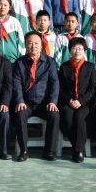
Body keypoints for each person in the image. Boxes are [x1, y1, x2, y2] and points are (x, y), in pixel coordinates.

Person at [13, 31, 60, 162]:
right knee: (20, 114)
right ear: (25, 45)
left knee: (54, 116)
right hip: (26, 103)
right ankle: (24, 151)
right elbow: (16, 83)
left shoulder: (50, 62)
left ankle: (49, 151)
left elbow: (54, 83)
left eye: (36, 43)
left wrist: (53, 101)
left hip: (44, 103)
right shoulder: (19, 63)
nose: (33, 46)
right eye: (30, 43)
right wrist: (20, 101)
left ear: (41, 45)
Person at [58, 37, 96, 163]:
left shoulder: (90, 67)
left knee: (80, 117)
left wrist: (81, 101)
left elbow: (93, 88)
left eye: (80, 48)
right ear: (70, 50)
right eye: (74, 48)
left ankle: (78, 150)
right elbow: (60, 88)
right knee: (67, 116)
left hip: (85, 102)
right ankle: (77, 145)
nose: (77, 51)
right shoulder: (64, 67)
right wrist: (69, 100)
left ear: (84, 50)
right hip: (68, 101)